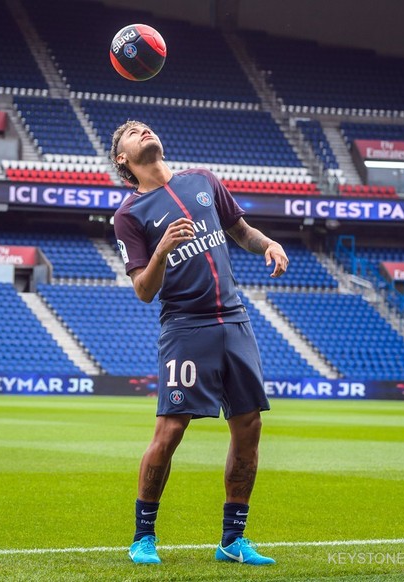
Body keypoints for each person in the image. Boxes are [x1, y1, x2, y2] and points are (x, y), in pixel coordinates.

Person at [111, 120, 289, 566]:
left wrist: (269, 243)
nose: (144, 130)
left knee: (249, 427)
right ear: (123, 159)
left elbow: (241, 230)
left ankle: (232, 540)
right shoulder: (129, 214)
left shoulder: (203, 180)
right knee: (171, 430)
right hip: (186, 327)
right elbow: (143, 290)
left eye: (145, 126)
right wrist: (160, 251)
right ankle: (143, 537)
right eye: (132, 132)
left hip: (235, 320)